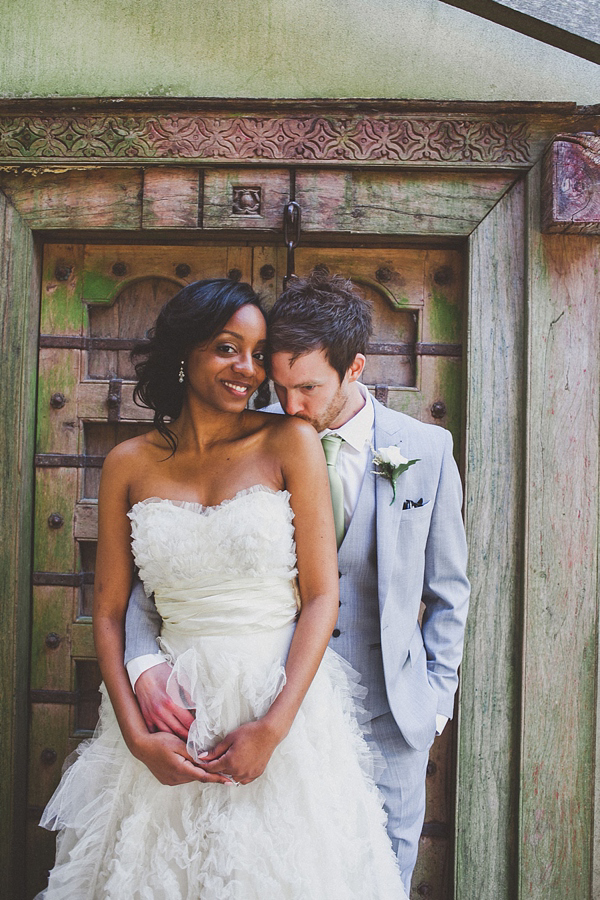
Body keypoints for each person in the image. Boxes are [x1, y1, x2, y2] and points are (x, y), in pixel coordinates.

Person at [37, 278, 407, 899]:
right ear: (186, 351)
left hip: (276, 706)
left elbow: (321, 597)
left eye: (259, 354)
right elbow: (106, 612)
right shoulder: (128, 461)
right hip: (170, 715)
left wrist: (274, 728)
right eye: (228, 348)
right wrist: (137, 737)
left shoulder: (290, 441)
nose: (248, 369)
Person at [126, 270, 470, 894]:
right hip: (265, 706)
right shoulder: (249, 433)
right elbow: (169, 571)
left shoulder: (425, 449)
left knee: (381, 873)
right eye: (280, 386)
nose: (290, 405)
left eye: (308, 388)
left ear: (355, 368)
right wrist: (141, 658)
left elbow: (449, 591)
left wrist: (435, 699)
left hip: (390, 711)